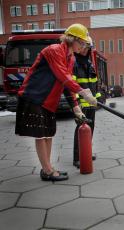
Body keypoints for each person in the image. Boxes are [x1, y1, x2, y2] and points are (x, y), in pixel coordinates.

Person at [15, 24, 97, 181]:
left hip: (48, 101)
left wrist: (76, 107)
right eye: (82, 42)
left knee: (49, 134)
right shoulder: (54, 51)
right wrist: (83, 92)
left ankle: (49, 168)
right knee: (41, 135)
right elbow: (62, 76)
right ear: (71, 39)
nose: (84, 46)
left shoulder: (71, 58)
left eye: (85, 44)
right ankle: (46, 171)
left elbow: (66, 84)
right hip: (35, 97)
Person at [72, 38, 102, 168]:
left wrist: (99, 98)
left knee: (90, 129)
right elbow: (72, 85)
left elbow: (95, 83)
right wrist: (76, 103)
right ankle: (77, 158)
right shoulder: (74, 63)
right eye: (83, 47)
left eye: (87, 48)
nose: (84, 50)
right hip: (81, 105)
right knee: (80, 129)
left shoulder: (89, 64)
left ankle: (86, 152)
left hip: (91, 104)